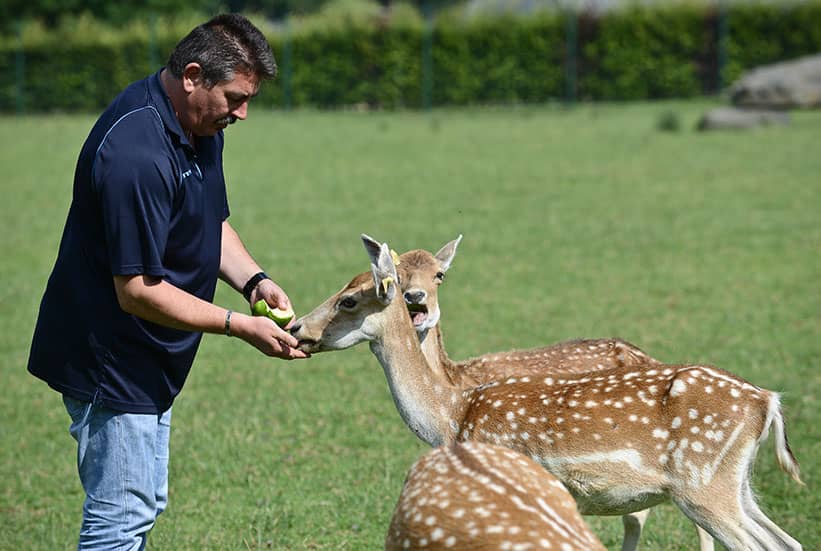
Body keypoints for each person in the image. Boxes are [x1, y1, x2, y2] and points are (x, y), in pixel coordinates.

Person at [26, 13, 308, 550]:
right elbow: (136, 290)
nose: (242, 113)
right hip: (111, 360)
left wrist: (253, 282)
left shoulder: (200, 126)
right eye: (234, 97)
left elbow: (210, 221)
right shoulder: (136, 153)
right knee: (120, 520)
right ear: (193, 75)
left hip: (149, 356)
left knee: (142, 504)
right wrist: (238, 325)